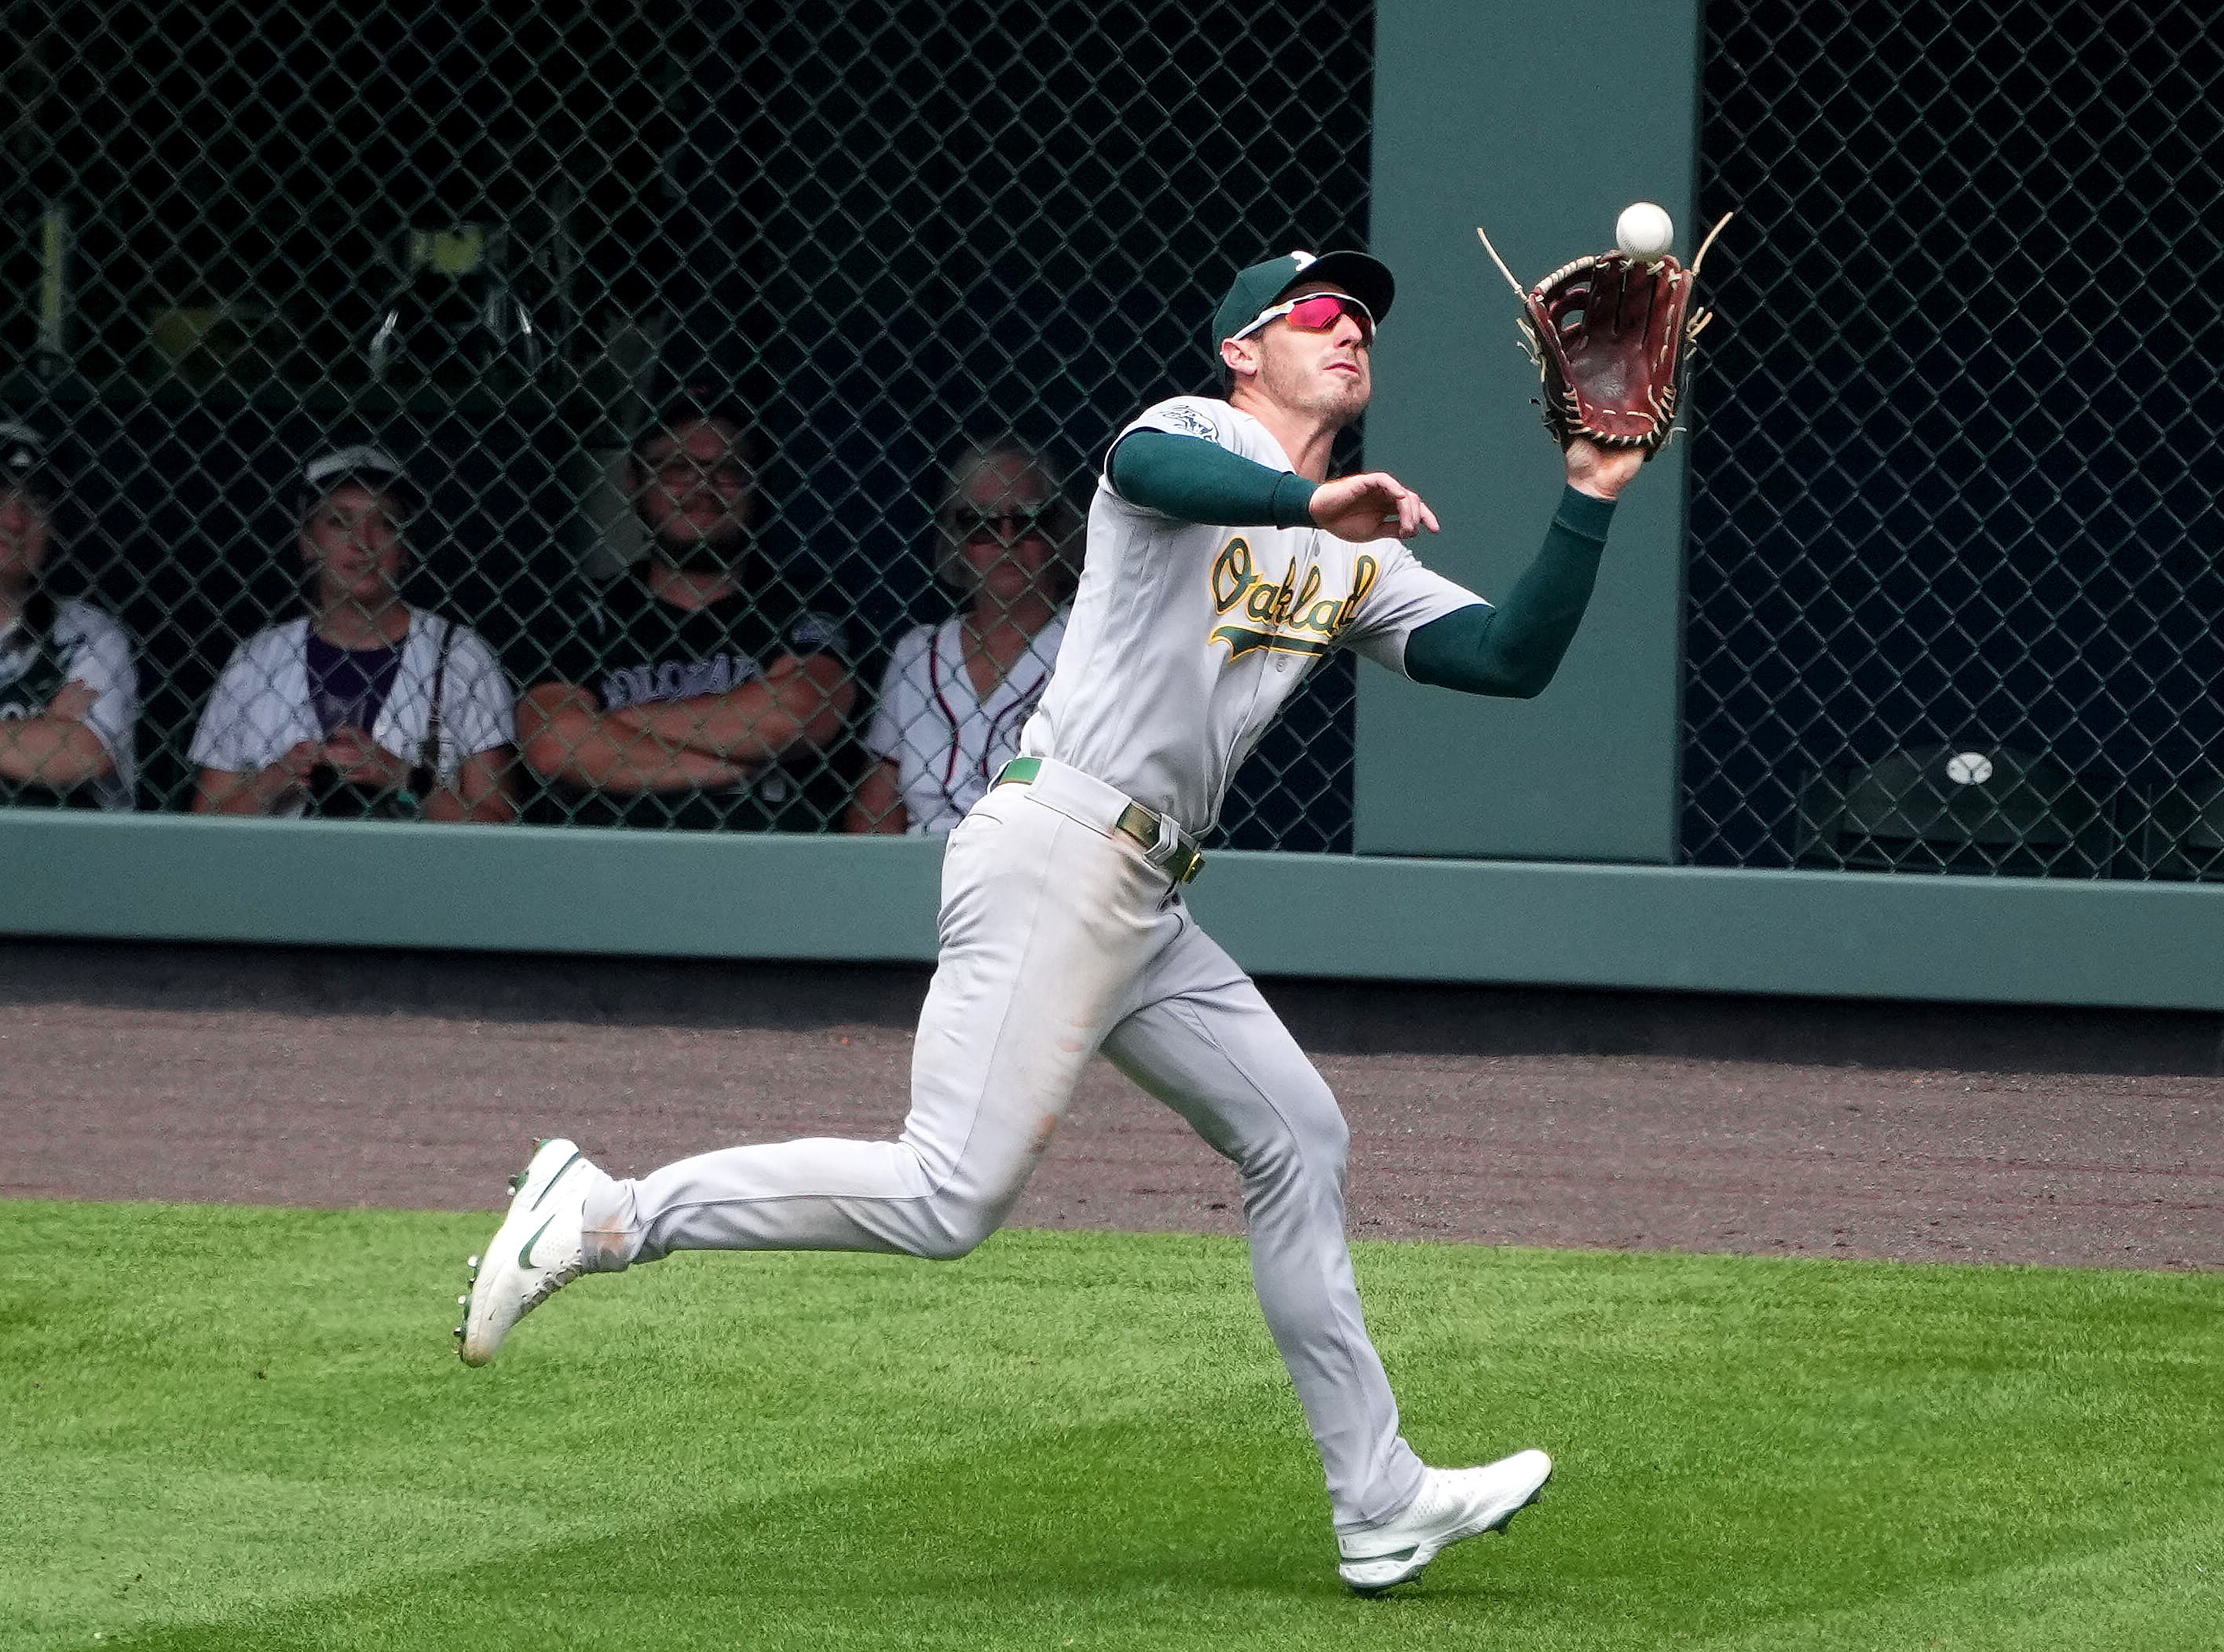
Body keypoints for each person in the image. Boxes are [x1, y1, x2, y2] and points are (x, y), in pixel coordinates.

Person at [459, 250, 1652, 1595]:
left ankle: (1377, 1497)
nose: (1349, 327)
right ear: (1243, 351)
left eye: (1364, 314)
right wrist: (1313, 492)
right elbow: (1147, 471)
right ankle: (608, 1212)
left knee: (1296, 1133)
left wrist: (1588, 497)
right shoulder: (1197, 436)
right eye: (1317, 310)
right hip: (1057, 847)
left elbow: (1509, 658)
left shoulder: (1343, 549)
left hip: (1143, 897)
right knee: (944, 1196)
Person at [517, 390, 855, 830]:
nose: (703, 485)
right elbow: (553, 744)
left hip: (769, 869)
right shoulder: (585, 611)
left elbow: (799, 714)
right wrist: (733, 761)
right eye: (678, 467)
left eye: (729, 470)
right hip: (611, 869)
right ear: (635, 482)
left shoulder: (799, 604)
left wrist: (606, 728)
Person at [189, 444, 518, 821]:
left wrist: (404, 778)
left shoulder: (460, 653)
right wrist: (277, 778)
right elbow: (204, 826)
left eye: (386, 524)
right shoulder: (258, 658)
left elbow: (498, 828)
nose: (363, 542)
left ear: (406, 549)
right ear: (307, 543)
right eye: (339, 522)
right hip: (282, 874)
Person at [846, 437, 1077, 834]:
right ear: (956, 541)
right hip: (919, 870)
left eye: (1027, 521)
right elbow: (877, 809)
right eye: (981, 525)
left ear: (1058, 532)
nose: (1007, 540)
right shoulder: (918, 653)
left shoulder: (1088, 648)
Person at [0, 422, 140, 811]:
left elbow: (80, 755)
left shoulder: (90, 635)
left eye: (37, 503)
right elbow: (51, 749)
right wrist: (36, 731)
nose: (15, 521)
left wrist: (57, 743)